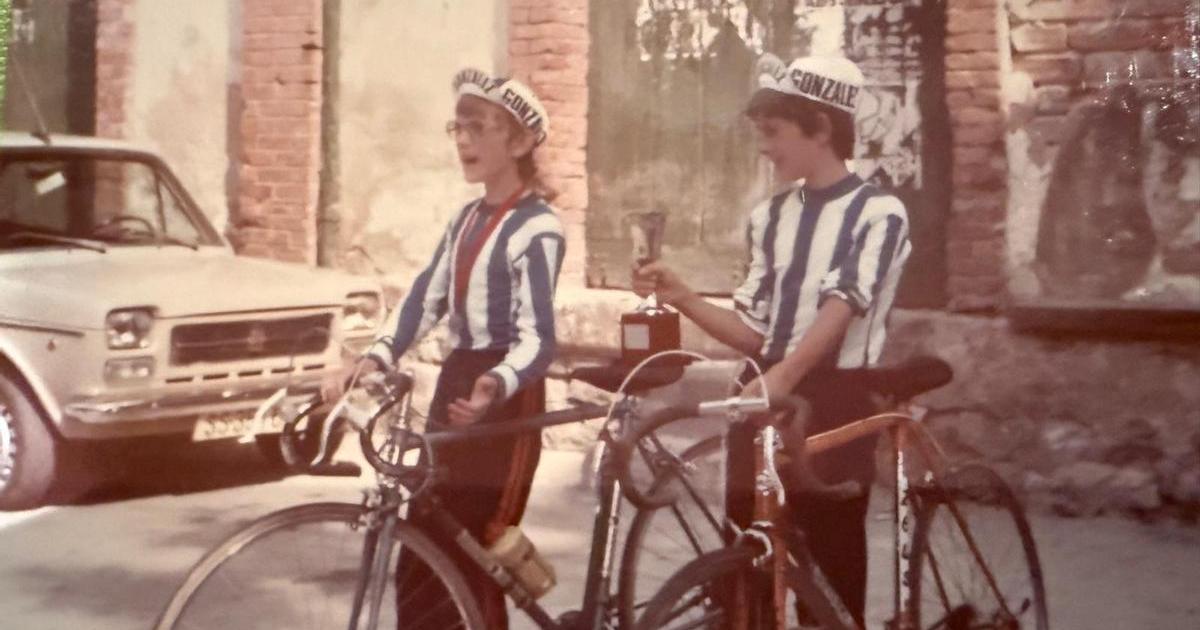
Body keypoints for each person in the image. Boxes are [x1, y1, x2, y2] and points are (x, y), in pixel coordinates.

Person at [632, 55, 911, 626]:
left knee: (829, 565)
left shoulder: (879, 213)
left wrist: (784, 376)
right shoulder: (770, 216)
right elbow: (754, 331)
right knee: (747, 558)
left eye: (774, 132)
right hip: (761, 391)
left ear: (822, 129)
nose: (763, 147)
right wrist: (683, 296)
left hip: (832, 396)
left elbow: (844, 303)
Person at [332, 67, 564, 629]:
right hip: (459, 382)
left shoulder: (538, 228)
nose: (463, 141)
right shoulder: (466, 219)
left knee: (476, 551)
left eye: (478, 128)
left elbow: (539, 339)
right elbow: (424, 298)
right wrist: (375, 356)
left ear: (519, 143)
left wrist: (496, 384)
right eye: (457, 128)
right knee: (425, 541)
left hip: (506, 400)